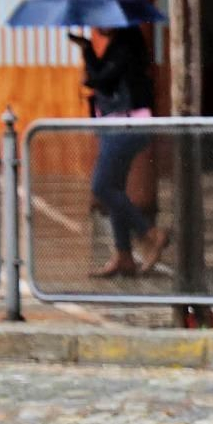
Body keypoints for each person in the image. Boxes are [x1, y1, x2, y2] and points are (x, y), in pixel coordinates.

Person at [70, 25, 169, 277]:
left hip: (126, 125)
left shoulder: (125, 47)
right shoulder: (120, 46)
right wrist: (88, 50)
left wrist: (87, 53)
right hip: (117, 125)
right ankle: (124, 255)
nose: (97, 26)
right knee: (114, 188)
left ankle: (149, 233)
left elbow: (101, 79)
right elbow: (102, 77)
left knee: (102, 187)